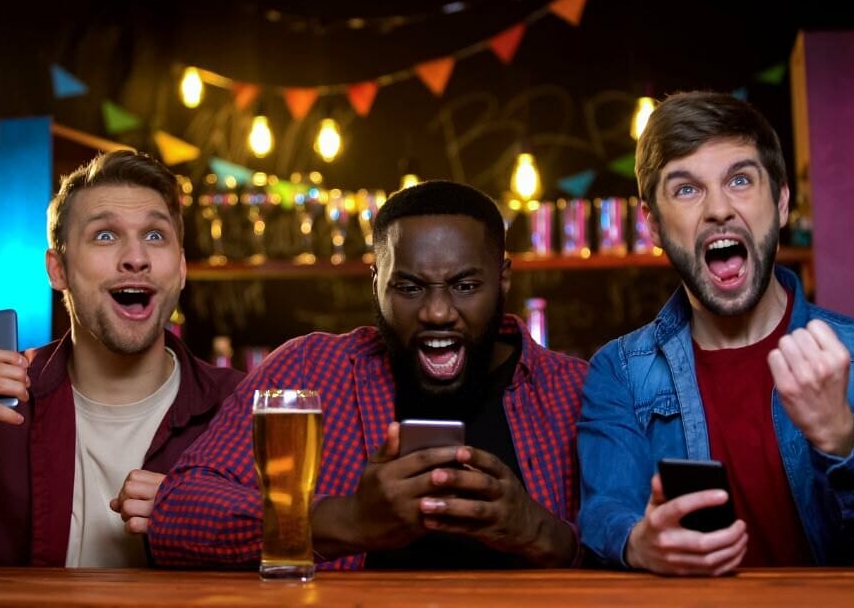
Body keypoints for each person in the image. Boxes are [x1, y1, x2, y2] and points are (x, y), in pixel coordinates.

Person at [149, 180, 589, 569]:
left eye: (465, 286)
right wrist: (349, 520)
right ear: (375, 282)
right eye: (409, 287)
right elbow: (176, 514)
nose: (437, 311)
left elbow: (638, 549)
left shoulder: (576, 390)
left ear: (504, 278)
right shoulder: (309, 370)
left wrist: (537, 530)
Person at [577, 91, 854, 576]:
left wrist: (840, 440)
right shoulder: (619, 373)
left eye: (740, 180)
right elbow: (603, 513)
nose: (719, 209)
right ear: (652, 223)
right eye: (687, 189)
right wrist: (638, 543)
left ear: (780, 203)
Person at [0, 150, 245, 567]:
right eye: (105, 235)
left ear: (182, 268)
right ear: (57, 270)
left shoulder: (239, 407)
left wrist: (213, 517)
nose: (136, 257)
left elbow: (310, 546)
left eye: (155, 236)